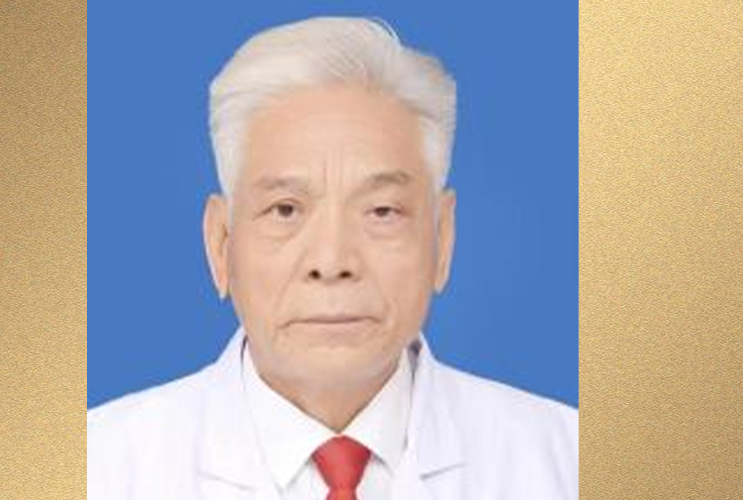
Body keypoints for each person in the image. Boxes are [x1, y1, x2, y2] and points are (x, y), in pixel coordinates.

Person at [88, 16, 578, 500]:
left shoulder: (569, 461)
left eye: (382, 211)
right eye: (285, 210)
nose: (331, 260)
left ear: (442, 239)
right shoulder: (97, 467)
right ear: (220, 243)